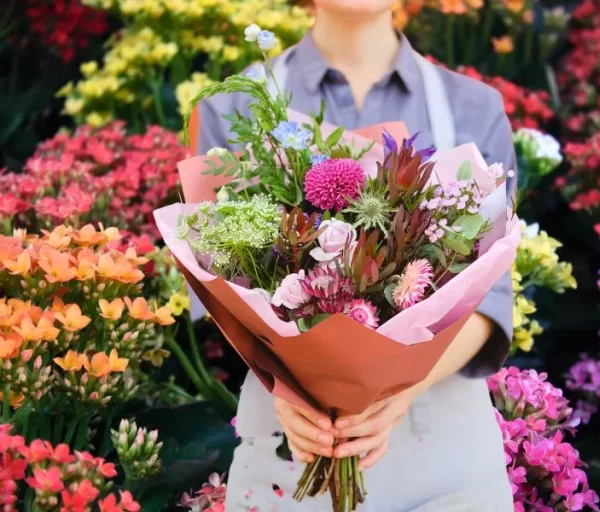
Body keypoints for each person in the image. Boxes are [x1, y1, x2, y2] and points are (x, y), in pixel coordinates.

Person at [195, 1, 517, 510]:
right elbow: (218, 288)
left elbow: (491, 299)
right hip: (292, 447)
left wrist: (398, 390)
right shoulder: (231, 108)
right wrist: (288, 389)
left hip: (442, 456)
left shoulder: (473, 107)